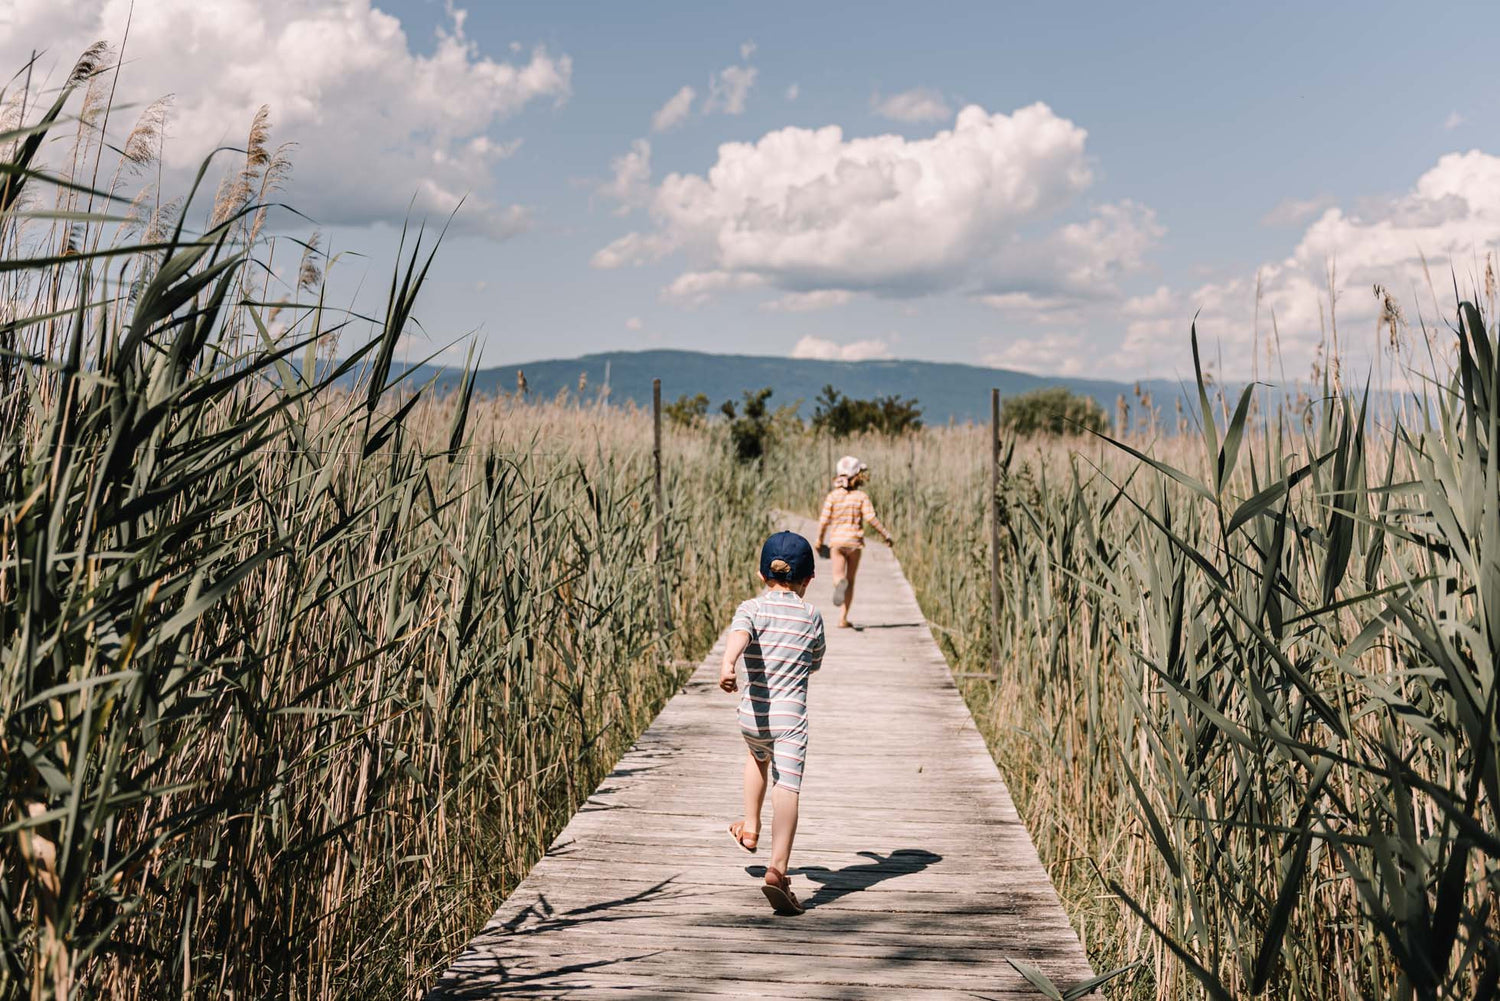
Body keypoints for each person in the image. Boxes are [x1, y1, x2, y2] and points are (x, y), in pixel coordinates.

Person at [720, 531, 826, 915]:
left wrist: (729, 663)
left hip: (753, 716)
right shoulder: (811, 616)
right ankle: (777, 870)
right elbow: (815, 661)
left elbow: (740, 635)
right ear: (809, 579)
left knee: (757, 755)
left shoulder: (751, 608)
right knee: (788, 786)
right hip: (789, 718)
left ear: (761, 574)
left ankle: (750, 828)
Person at [815, 456, 893, 628]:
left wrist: (819, 540)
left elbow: (823, 521)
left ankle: (839, 584)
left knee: (838, 575)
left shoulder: (833, 496)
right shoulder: (861, 497)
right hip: (855, 543)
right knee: (851, 580)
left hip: (837, 542)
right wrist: (886, 535)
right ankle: (843, 618)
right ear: (857, 476)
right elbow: (871, 518)